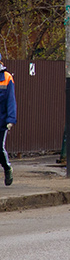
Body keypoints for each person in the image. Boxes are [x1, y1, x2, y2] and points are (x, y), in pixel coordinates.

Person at [0, 55, 15, 186]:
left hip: (1, 120)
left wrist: (10, 119)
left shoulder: (6, 77)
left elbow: (11, 100)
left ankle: (7, 168)